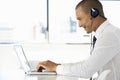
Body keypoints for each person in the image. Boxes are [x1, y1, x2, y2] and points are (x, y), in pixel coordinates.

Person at [37, 0, 120, 80]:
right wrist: (57, 66)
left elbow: (87, 70)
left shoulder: (109, 35)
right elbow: (88, 64)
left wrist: (56, 68)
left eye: (80, 19)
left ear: (94, 13)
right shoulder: (105, 34)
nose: (79, 25)